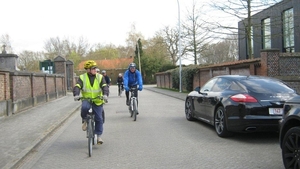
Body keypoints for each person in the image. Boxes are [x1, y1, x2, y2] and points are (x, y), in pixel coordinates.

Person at [73, 60, 109, 144]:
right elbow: (78, 86)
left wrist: (105, 95)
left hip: (97, 99)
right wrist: (76, 94)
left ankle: (99, 136)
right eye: (93, 68)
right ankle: (85, 119)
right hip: (87, 99)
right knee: (84, 108)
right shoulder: (82, 77)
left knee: (99, 118)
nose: (95, 70)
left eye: (95, 68)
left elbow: (104, 86)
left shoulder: (100, 77)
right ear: (88, 69)